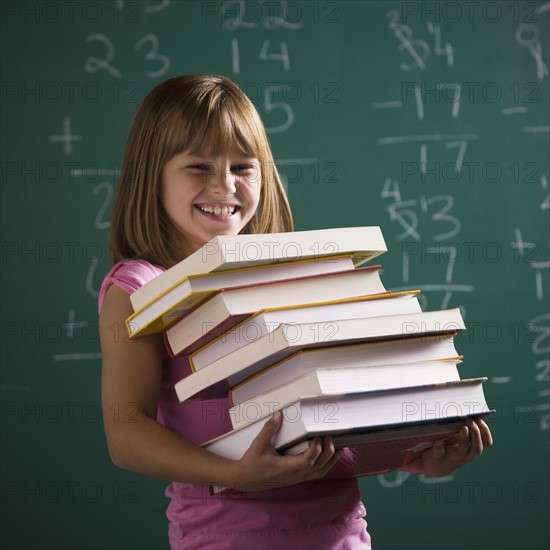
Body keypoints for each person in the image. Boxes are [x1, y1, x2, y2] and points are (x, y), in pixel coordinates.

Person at [98, 74, 493, 550]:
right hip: (226, 538)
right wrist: (237, 474)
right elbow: (126, 432)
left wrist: (413, 453)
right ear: (153, 174)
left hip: (342, 535)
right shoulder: (138, 287)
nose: (224, 185)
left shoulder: (292, 274)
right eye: (199, 166)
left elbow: (328, 412)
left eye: (243, 167)